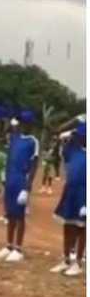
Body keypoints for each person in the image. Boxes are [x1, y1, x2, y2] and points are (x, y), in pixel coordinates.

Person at [0, 112, 41, 262]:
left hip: (22, 179)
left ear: (28, 124)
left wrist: (27, 188)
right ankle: (8, 245)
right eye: (18, 122)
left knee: (19, 216)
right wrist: (4, 176)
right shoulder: (14, 138)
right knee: (10, 214)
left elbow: (34, 166)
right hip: (11, 179)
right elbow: (9, 158)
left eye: (21, 122)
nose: (18, 124)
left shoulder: (33, 141)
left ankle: (18, 249)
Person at [49, 118, 86, 275]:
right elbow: (57, 131)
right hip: (70, 192)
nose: (77, 137)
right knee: (68, 225)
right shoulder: (73, 150)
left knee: (82, 227)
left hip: (85, 194)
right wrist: (74, 122)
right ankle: (66, 259)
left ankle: (78, 262)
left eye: (80, 135)